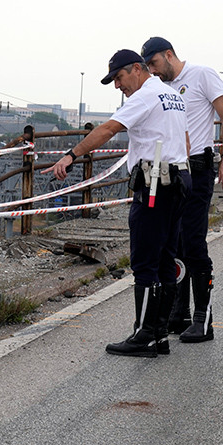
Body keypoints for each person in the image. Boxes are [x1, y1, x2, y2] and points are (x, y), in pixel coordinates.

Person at [43, 49, 191, 358]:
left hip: (155, 186)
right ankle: (159, 335)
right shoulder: (171, 95)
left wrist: (71, 156)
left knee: (145, 262)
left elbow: (109, 129)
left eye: (119, 78)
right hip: (178, 182)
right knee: (166, 261)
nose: (117, 86)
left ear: (137, 69)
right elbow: (184, 138)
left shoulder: (145, 96)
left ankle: (145, 335)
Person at [141, 37, 223, 344]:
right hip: (175, 169)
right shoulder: (161, 87)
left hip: (200, 166)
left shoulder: (202, 74)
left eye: (155, 63)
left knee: (194, 242)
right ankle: (179, 313)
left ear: (169, 54)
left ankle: (203, 319)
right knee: (175, 242)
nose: (153, 71)